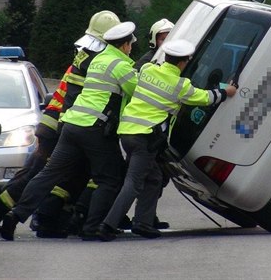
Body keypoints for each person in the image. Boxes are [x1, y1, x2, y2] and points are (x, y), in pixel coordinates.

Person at [0, 21, 139, 241]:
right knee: (109, 179)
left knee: (48, 174)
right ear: (124, 46)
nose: (131, 49)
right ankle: (91, 228)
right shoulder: (121, 65)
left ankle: (14, 216)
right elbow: (140, 93)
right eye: (131, 45)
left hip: (71, 126)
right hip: (95, 129)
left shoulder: (97, 60)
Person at [98, 39, 237, 241]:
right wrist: (227, 92)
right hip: (145, 138)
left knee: (153, 177)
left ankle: (143, 223)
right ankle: (107, 225)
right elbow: (205, 97)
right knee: (134, 182)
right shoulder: (180, 85)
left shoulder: (147, 69)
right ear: (183, 63)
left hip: (127, 132)